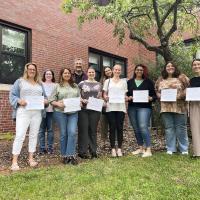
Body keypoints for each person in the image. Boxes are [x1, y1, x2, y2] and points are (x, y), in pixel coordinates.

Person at [9, 63, 48, 171]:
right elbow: (12, 95)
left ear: (36, 71)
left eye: (33, 69)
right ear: (26, 70)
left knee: (33, 135)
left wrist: (45, 101)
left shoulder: (39, 84)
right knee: (20, 135)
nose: (32, 71)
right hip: (23, 112)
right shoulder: (20, 81)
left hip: (37, 113)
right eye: (30, 69)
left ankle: (31, 158)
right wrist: (18, 100)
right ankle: (14, 161)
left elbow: (45, 97)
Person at [155, 61, 189, 155]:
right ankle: (171, 148)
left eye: (172, 66)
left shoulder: (182, 77)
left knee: (181, 128)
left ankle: (184, 148)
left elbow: (188, 88)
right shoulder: (161, 79)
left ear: (175, 67)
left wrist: (180, 95)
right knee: (169, 128)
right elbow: (156, 90)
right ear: (165, 68)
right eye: (168, 66)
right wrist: (159, 96)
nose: (170, 67)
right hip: (165, 108)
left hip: (180, 107)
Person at [49, 68, 80, 165]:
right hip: (60, 112)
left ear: (70, 75)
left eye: (68, 73)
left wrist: (81, 102)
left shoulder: (75, 86)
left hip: (73, 112)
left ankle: (70, 155)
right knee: (63, 134)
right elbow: (51, 100)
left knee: (72, 132)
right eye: (65, 73)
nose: (67, 74)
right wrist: (58, 104)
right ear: (61, 74)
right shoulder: (57, 86)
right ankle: (64, 155)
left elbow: (79, 98)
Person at [127, 64, 157, 157]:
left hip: (145, 107)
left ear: (143, 71)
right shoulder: (129, 82)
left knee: (143, 126)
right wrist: (128, 97)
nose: (139, 71)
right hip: (132, 107)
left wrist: (151, 98)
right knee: (136, 128)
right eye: (137, 70)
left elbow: (154, 96)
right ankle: (140, 148)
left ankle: (148, 149)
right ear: (135, 71)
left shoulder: (149, 82)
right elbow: (126, 94)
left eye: (141, 70)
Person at [103, 64, 128, 157]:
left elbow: (125, 95)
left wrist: (126, 98)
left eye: (119, 70)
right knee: (112, 127)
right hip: (111, 107)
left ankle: (120, 149)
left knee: (120, 127)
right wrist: (106, 97)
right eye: (116, 69)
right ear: (113, 70)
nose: (117, 71)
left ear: (120, 71)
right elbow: (104, 94)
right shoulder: (107, 81)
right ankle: (113, 148)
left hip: (121, 107)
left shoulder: (123, 82)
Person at [78, 67, 102, 159]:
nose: (91, 73)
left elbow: (99, 97)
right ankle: (82, 151)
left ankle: (93, 151)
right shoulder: (81, 83)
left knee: (93, 130)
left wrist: (102, 101)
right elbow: (77, 95)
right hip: (83, 109)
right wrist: (81, 99)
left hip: (95, 110)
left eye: (93, 72)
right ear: (87, 73)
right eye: (89, 72)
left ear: (94, 73)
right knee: (83, 130)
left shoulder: (99, 84)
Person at [39, 69, 56, 154]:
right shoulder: (40, 84)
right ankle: (42, 148)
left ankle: (50, 148)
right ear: (44, 75)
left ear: (52, 76)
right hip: (42, 110)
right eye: (47, 74)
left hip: (52, 110)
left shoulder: (56, 85)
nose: (48, 75)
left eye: (50, 74)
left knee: (50, 130)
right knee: (41, 130)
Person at [189, 59, 200, 157]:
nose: (196, 66)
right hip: (194, 105)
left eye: (198, 64)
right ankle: (197, 152)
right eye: (194, 65)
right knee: (195, 127)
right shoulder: (191, 80)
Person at [100, 67, 113, 143]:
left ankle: (113, 140)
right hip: (104, 105)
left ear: (111, 70)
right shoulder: (102, 81)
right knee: (103, 123)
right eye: (106, 71)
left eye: (109, 70)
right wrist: (102, 100)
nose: (108, 72)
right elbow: (99, 93)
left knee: (113, 124)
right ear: (104, 73)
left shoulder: (117, 80)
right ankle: (104, 141)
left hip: (114, 105)